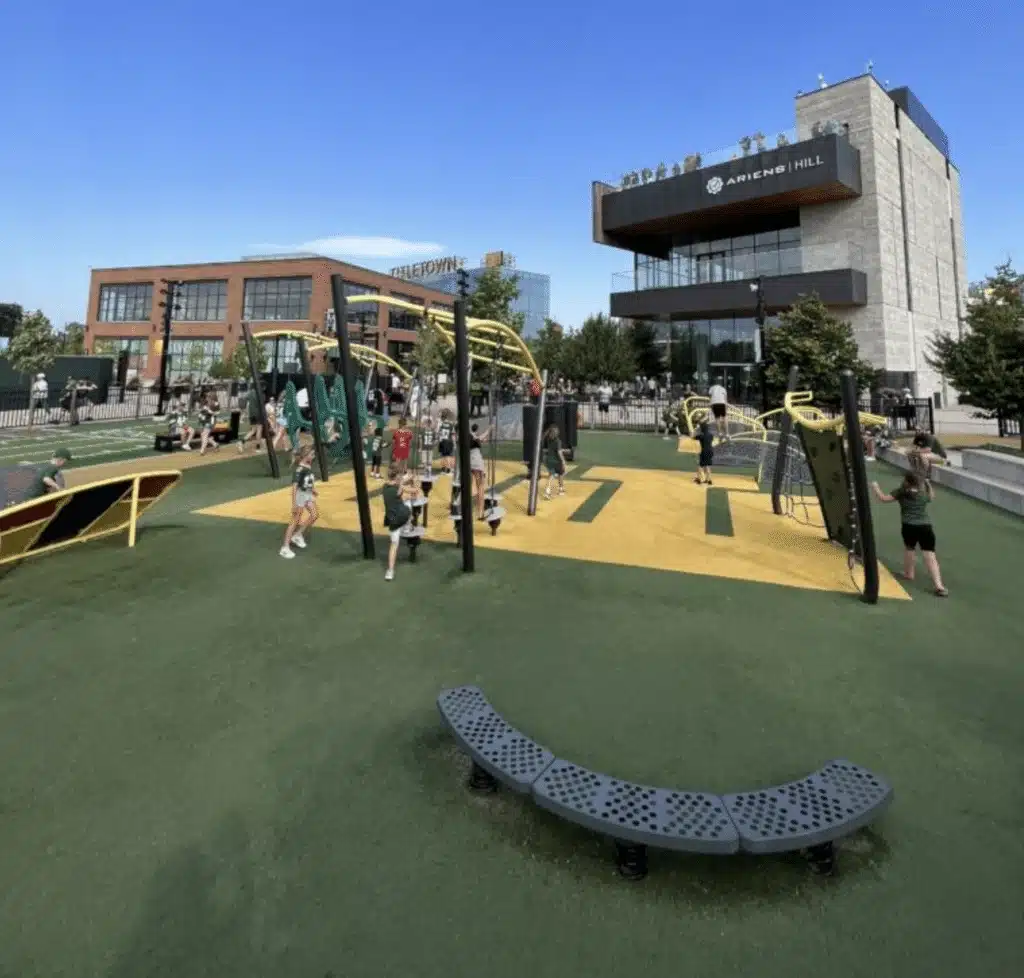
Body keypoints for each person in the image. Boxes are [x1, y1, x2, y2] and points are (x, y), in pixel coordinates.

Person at [871, 472, 947, 596]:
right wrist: (928, 484)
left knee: (909, 548)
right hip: (925, 527)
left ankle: (909, 573)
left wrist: (875, 487)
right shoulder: (922, 494)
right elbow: (932, 497)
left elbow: (883, 498)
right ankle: (939, 585)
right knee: (930, 554)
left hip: (909, 526)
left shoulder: (901, 492)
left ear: (907, 481)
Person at [382, 466, 421, 581]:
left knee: (394, 544)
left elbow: (399, 483)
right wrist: (416, 480)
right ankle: (407, 527)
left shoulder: (384, 487)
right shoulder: (399, 487)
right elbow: (416, 491)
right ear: (397, 477)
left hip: (392, 520)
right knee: (408, 504)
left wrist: (406, 479)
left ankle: (390, 571)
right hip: (402, 517)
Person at [280, 446, 319, 559]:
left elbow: (307, 481)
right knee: (295, 520)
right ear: (305, 456)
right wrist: (294, 504)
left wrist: (313, 490)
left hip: (308, 494)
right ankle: (285, 547)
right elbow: (294, 487)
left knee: (315, 515)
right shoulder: (299, 470)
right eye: (311, 454)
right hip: (300, 496)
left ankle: (297, 535)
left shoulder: (308, 465)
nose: (313, 456)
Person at [469, 421, 491, 519]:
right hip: (477, 463)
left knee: (476, 486)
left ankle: (478, 511)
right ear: (476, 430)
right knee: (481, 488)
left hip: (471, 463)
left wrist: (482, 440)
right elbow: (481, 437)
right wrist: (490, 429)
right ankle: (480, 513)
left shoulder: (470, 437)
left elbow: (480, 439)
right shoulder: (474, 437)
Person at [541, 424, 566, 499]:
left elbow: (545, 435)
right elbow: (559, 452)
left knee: (551, 475)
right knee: (560, 474)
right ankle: (561, 489)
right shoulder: (558, 441)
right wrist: (563, 461)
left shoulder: (548, 439)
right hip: (557, 461)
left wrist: (548, 430)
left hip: (548, 460)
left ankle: (547, 491)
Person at [694, 419, 714, 485]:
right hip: (710, 451)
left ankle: (699, 479)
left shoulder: (701, 436)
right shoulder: (711, 435)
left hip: (704, 451)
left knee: (700, 466)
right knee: (708, 465)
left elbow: (693, 437)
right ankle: (709, 480)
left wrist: (693, 431)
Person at [708, 376, 729, 441]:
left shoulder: (712, 388)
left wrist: (711, 406)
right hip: (722, 403)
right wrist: (726, 408)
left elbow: (710, 397)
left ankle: (720, 433)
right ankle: (727, 434)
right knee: (724, 417)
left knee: (717, 418)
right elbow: (725, 400)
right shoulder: (723, 389)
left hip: (714, 403)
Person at [437, 409, 455, 474]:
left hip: (443, 441)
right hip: (449, 441)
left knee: (442, 456)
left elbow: (438, 433)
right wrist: (454, 443)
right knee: (449, 455)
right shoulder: (451, 424)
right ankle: (449, 469)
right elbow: (453, 434)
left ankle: (443, 469)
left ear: (442, 417)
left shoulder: (440, 424)